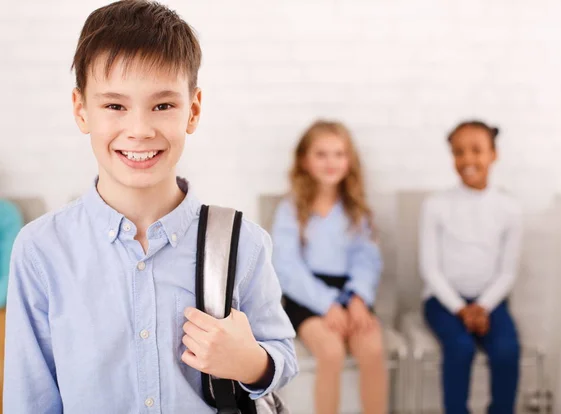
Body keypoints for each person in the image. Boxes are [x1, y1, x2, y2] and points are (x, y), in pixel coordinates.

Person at [4, 1, 297, 412]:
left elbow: (281, 356)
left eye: (163, 105)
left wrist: (249, 362)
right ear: (80, 108)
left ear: (192, 110)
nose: (139, 130)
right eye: (115, 106)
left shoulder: (241, 242)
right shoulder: (40, 250)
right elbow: (30, 399)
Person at [272, 120, 388, 414]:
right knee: (331, 351)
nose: (331, 162)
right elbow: (287, 268)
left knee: (373, 350)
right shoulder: (291, 208)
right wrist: (327, 305)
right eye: (321, 154)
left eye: (339, 154)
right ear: (304, 160)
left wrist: (357, 299)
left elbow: (367, 260)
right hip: (306, 298)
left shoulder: (356, 210)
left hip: (350, 295)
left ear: (350, 161)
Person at [419, 120, 522, 414]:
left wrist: (483, 306)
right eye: (459, 152)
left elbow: (507, 271)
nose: (467, 160)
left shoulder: (510, 208)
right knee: (460, 348)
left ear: (494, 154)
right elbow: (431, 269)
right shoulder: (435, 205)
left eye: (476, 150)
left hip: (491, 303)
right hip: (443, 302)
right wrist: (460, 308)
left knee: (506, 351)